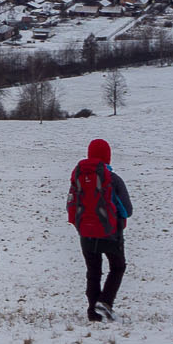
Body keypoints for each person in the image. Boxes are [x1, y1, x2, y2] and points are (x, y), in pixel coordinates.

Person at [67, 137, 131, 323]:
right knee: (118, 267)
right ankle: (104, 303)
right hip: (111, 233)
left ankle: (93, 313)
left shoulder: (78, 175)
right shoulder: (113, 179)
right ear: (108, 156)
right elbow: (127, 209)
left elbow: (71, 204)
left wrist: (81, 225)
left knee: (93, 271)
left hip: (85, 233)